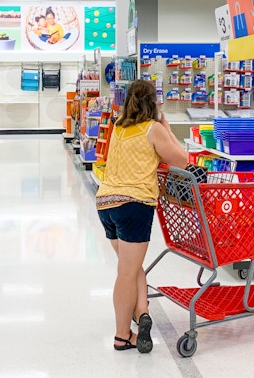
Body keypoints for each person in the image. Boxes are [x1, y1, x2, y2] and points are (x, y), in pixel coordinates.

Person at [95, 80, 188, 353]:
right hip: (134, 206)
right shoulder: (153, 128)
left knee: (131, 268)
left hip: (106, 203)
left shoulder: (120, 127)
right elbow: (181, 160)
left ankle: (143, 312)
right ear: (154, 103)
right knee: (126, 273)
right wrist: (168, 129)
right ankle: (122, 336)